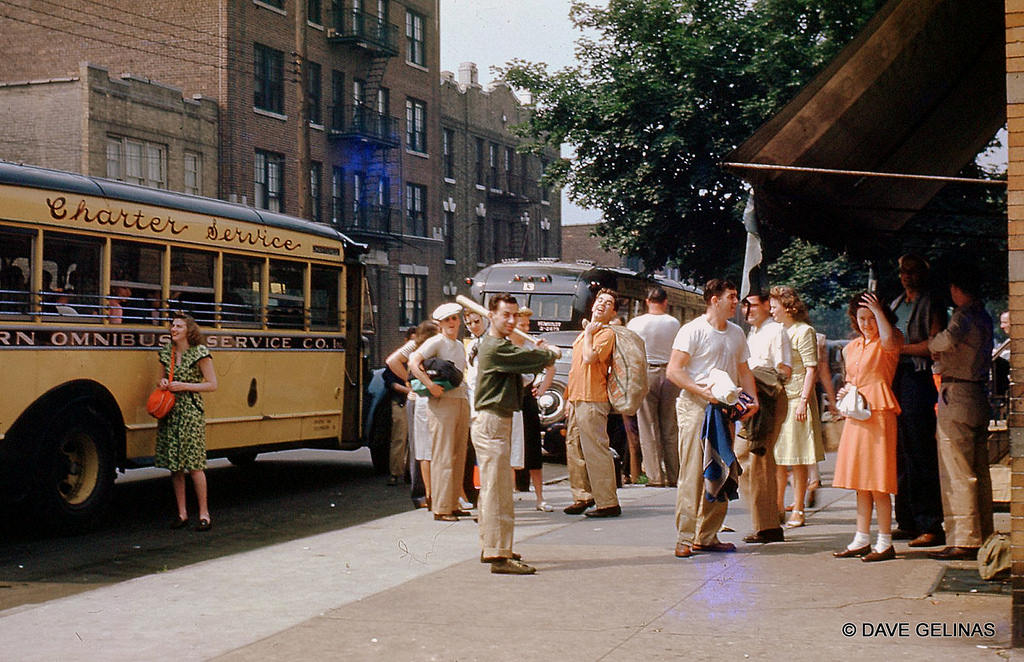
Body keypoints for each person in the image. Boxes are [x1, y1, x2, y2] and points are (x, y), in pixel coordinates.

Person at [667, 279, 758, 559]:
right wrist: (701, 391)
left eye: (736, 297)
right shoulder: (692, 331)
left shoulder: (736, 334)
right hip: (696, 408)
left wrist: (752, 401)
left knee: (721, 469)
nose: (736, 303)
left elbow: (744, 371)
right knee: (693, 472)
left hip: (725, 409)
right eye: (731, 297)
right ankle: (684, 536)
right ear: (714, 300)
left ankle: (707, 535)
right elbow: (674, 371)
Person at [472, 293, 558, 574]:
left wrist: (541, 354)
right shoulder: (495, 347)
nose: (510, 320)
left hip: (498, 420)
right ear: (491, 316)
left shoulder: (502, 344)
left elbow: (525, 359)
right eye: (504, 315)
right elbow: (530, 359)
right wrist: (548, 353)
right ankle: (499, 554)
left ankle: (493, 546)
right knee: (498, 491)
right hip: (492, 421)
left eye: (513, 315)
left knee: (493, 489)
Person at [927, 267, 994, 561]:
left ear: (957, 288)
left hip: (957, 394)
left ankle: (964, 538)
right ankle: (984, 531)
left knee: (956, 470)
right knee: (979, 470)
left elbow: (943, 342)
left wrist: (932, 342)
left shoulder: (963, 316)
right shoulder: (985, 316)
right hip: (978, 393)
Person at [832, 292, 903, 562]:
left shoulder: (891, 339)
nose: (866, 323)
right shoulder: (850, 348)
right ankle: (861, 538)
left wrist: (878, 309)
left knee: (878, 480)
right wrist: (845, 393)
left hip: (880, 411)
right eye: (861, 318)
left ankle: (884, 541)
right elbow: (852, 379)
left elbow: (888, 340)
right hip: (857, 413)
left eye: (872, 318)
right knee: (861, 481)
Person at [889, 254, 947, 548]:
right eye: (903, 272)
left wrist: (902, 350)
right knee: (899, 451)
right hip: (895, 379)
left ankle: (930, 522)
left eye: (913, 272)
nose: (907, 277)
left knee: (920, 451)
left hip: (917, 378)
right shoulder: (897, 304)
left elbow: (934, 345)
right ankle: (907, 519)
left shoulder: (931, 303)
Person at [736, 290, 791, 544]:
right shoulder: (752, 333)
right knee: (744, 458)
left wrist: (757, 377)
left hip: (768, 399)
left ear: (768, 306)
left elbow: (784, 369)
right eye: (745, 307)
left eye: (753, 306)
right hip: (751, 400)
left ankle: (768, 525)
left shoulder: (775, 331)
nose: (748, 311)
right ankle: (765, 519)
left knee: (760, 460)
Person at [155, 312, 218, 531]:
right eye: (172, 326)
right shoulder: (167, 353)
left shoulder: (200, 353)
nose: (174, 329)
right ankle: (181, 513)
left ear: (188, 330)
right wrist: (163, 382)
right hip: (171, 410)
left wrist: (185, 386)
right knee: (175, 465)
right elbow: (160, 378)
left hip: (191, 410)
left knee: (195, 465)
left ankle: (204, 513)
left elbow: (212, 384)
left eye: (179, 326)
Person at [409, 302, 471, 522]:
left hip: (460, 399)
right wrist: (430, 385)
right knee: (443, 454)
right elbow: (413, 362)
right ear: (440, 324)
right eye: (447, 320)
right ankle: (441, 507)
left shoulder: (459, 345)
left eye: (454, 318)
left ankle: (453, 503)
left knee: (458, 454)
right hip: (443, 403)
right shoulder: (436, 341)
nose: (452, 323)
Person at [563, 289, 622, 518]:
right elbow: (574, 368)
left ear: (613, 312)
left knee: (596, 450)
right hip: (578, 398)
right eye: (600, 300)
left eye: (608, 304)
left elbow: (589, 358)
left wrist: (588, 334)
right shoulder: (584, 333)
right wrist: (568, 397)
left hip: (593, 398)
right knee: (574, 447)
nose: (602, 305)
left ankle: (608, 501)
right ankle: (582, 495)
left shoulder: (605, 334)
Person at [769, 286, 825, 529]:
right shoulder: (777, 331)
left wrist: (803, 400)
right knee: (779, 459)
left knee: (799, 458)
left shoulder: (804, 331)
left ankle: (798, 509)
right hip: (779, 399)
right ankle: (778, 507)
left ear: (788, 307)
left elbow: (811, 367)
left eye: (774, 305)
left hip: (797, 400)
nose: (771, 309)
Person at [626, 286, 682, 487]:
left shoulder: (635, 323)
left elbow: (630, 351)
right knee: (670, 425)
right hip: (669, 374)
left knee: (648, 426)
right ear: (665, 302)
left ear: (647, 301)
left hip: (646, 373)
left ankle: (655, 476)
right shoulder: (674, 323)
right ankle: (675, 475)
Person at [388, 320, 439, 508]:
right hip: (419, 399)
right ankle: (421, 494)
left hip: (423, 398)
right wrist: (411, 380)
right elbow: (392, 361)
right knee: (421, 448)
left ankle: (425, 493)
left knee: (422, 448)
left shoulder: (418, 344)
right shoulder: (418, 345)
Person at [511, 308, 557, 511]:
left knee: (532, 447)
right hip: (509, 397)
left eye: (527, 325)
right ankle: (511, 492)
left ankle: (540, 497)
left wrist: (542, 388)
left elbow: (551, 367)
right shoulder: (506, 345)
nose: (525, 329)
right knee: (509, 446)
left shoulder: (532, 344)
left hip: (526, 397)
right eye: (522, 325)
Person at [383, 328, 417, 486]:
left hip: (415, 402)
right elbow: (391, 384)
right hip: (401, 402)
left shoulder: (418, 360)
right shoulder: (396, 363)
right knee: (400, 438)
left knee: (415, 439)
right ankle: (395, 473)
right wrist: (410, 389)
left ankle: (411, 473)